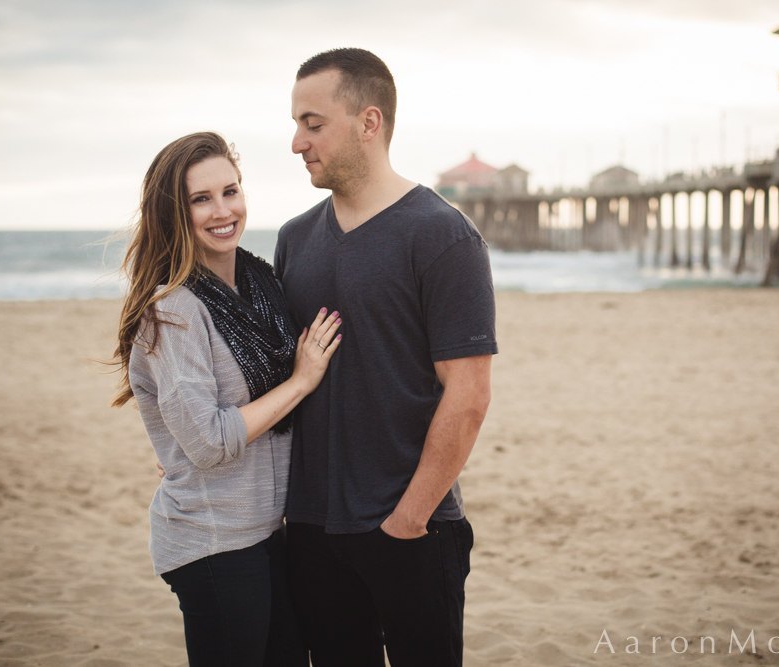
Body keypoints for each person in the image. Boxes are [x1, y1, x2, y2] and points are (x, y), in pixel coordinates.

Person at [276, 49, 497, 666]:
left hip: (412, 528)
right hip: (313, 529)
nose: (297, 142)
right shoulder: (295, 238)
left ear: (369, 123)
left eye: (313, 124)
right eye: (296, 124)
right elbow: (274, 371)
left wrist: (409, 519)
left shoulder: (441, 234)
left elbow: (470, 394)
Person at [110, 131, 339, 667]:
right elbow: (210, 443)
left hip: (266, 534)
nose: (222, 210)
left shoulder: (260, 283)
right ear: (174, 213)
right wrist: (301, 380)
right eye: (200, 199)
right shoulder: (173, 310)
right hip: (212, 542)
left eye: (230, 191)